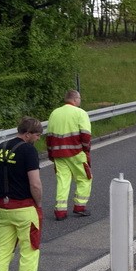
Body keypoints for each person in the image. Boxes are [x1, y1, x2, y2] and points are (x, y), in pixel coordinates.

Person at [0, 117, 48, 271]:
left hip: (3, 208)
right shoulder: (28, 150)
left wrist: (2, 197)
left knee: (2, 252)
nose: (38, 139)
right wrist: (38, 204)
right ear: (28, 134)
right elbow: (35, 183)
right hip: (25, 209)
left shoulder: (1, 147)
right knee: (29, 252)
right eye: (37, 135)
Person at [46, 89, 93, 220]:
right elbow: (85, 135)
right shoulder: (80, 113)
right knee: (84, 178)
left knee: (63, 181)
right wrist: (86, 150)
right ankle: (80, 207)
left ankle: (60, 211)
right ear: (75, 99)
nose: (80, 101)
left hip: (58, 154)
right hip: (76, 152)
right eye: (79, 99)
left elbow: (49, 136)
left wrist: (51, 153)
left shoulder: (55, 113)